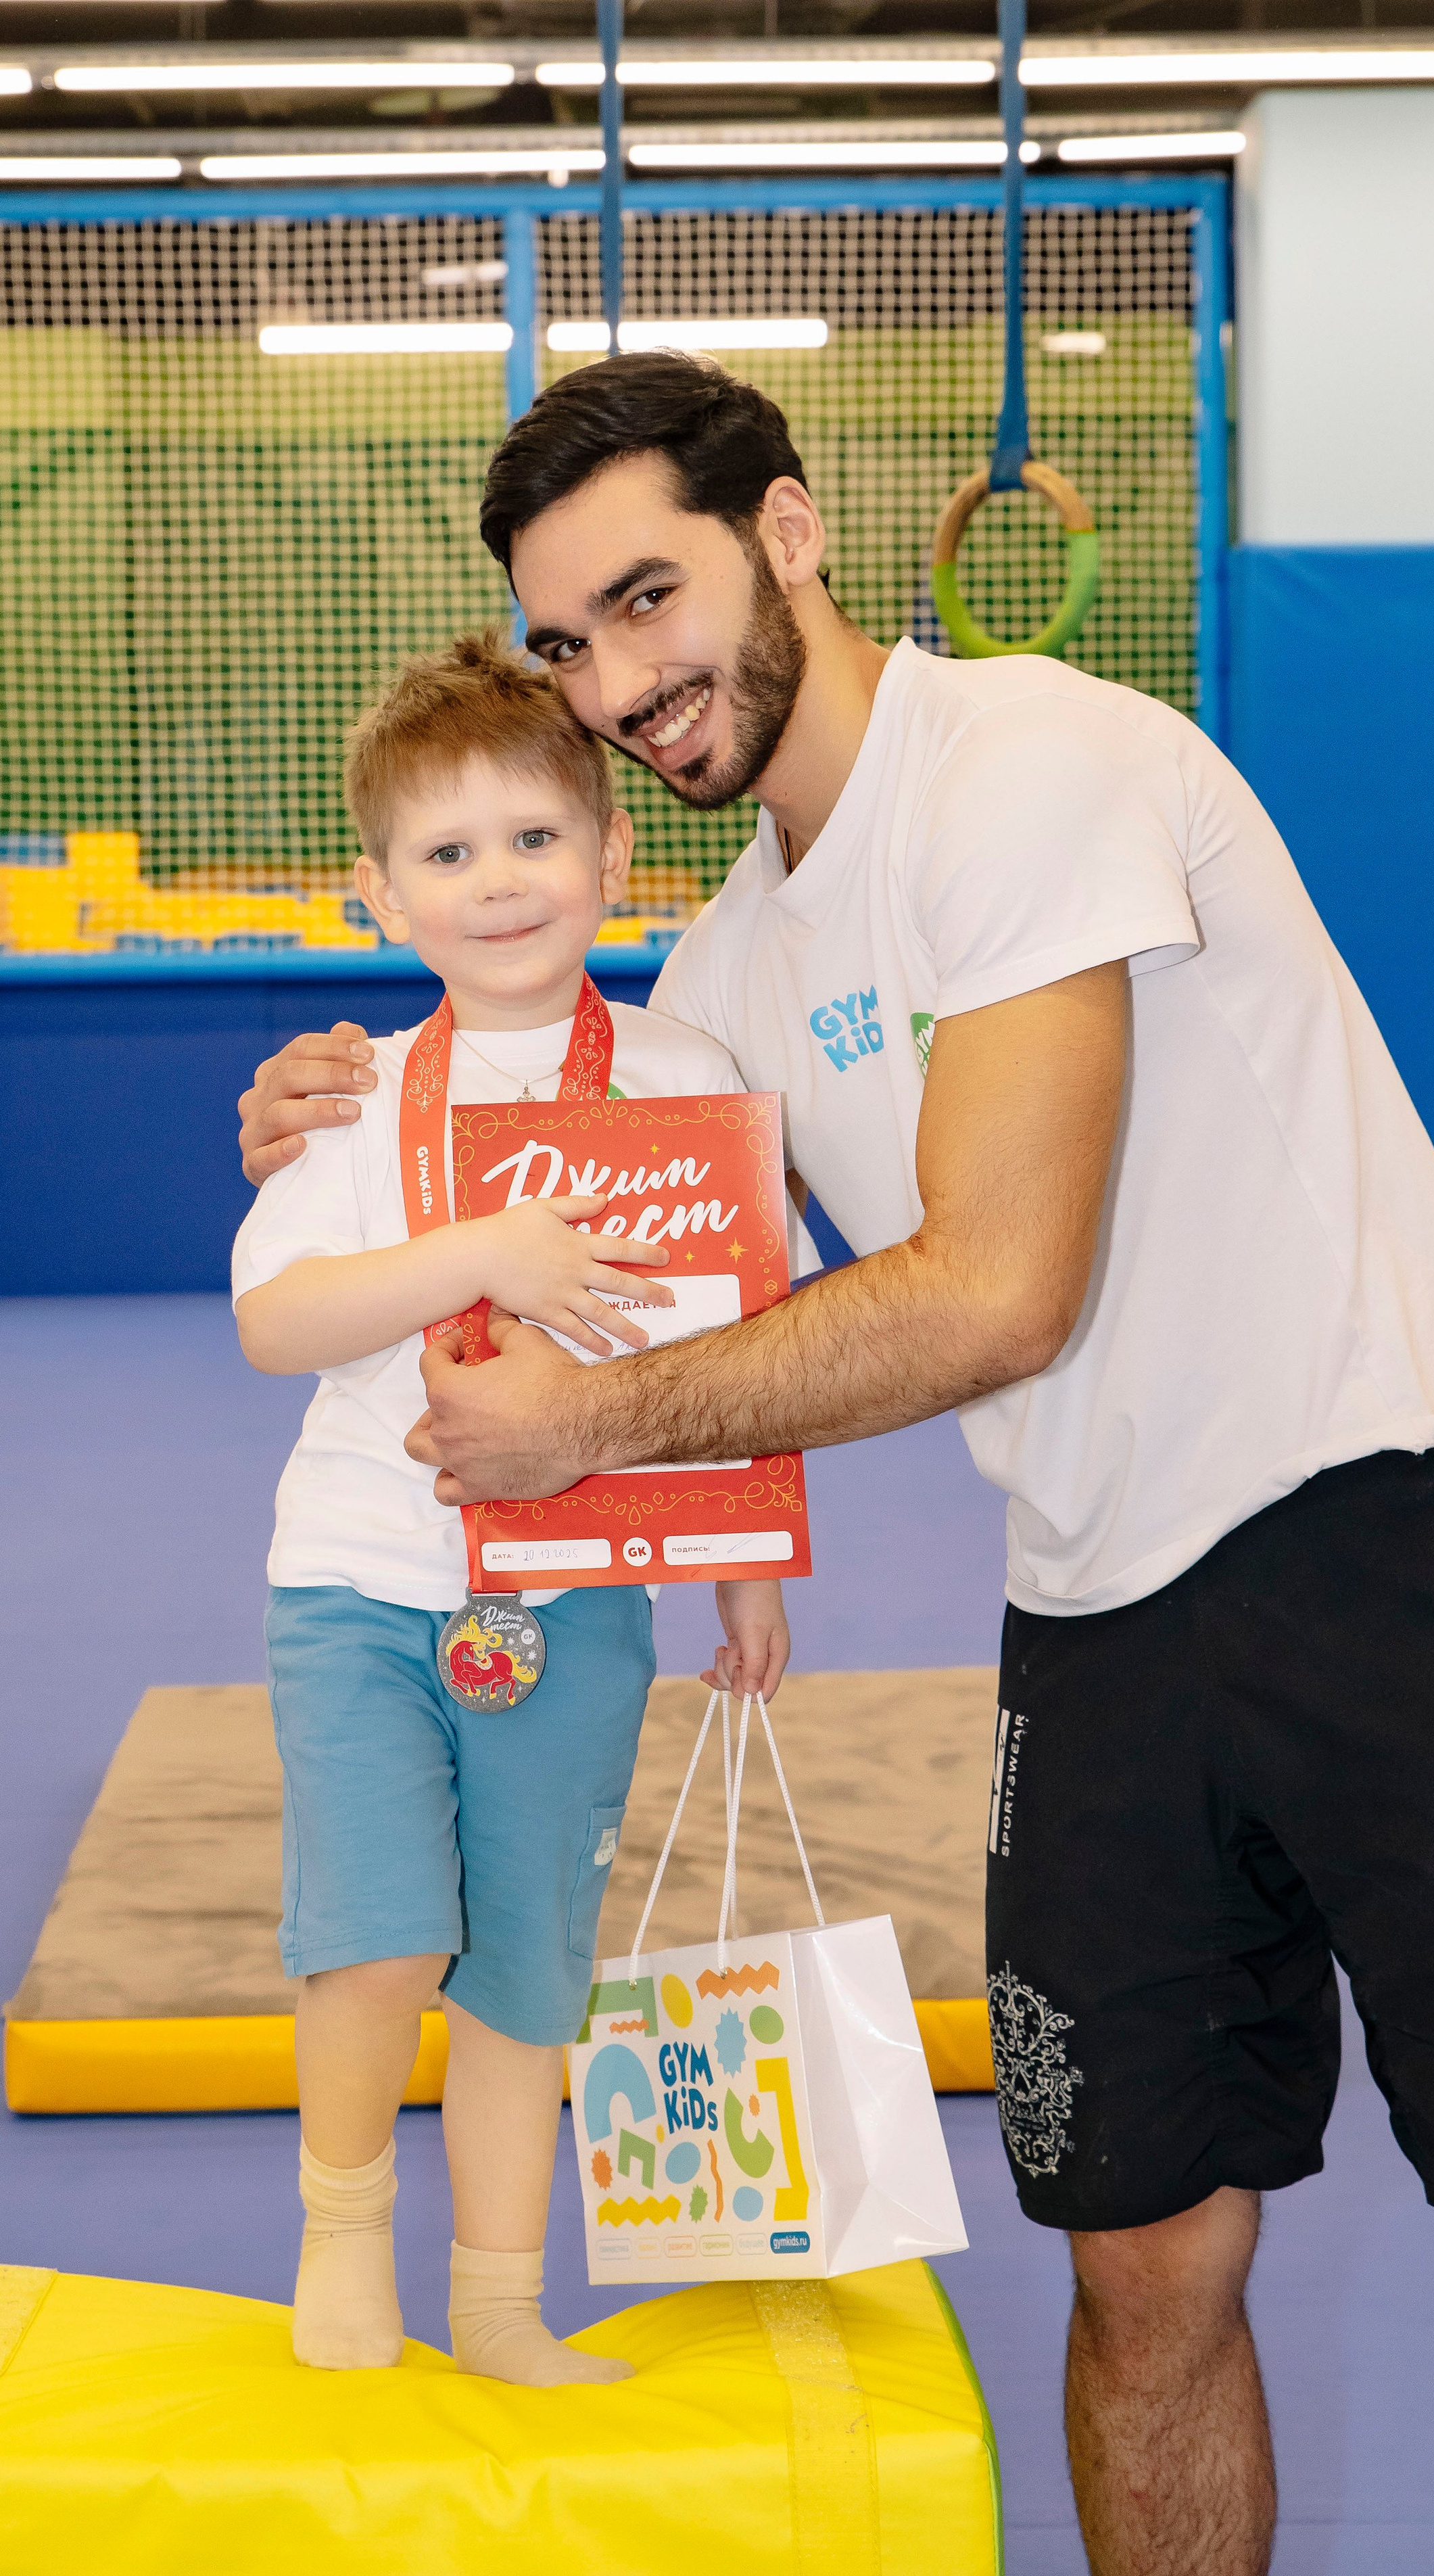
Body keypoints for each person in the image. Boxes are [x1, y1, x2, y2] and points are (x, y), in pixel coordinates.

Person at [240, 360, 1434, 2571]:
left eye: (649, 598)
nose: (619, 684)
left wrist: (587, 1428)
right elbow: (593, 1172)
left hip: (1373, 1542)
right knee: (1139, 2271)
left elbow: (997, 1289)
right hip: (1093, 1612)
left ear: (796, 533)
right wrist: (348, 1120)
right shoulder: (733, 965)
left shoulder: (1030, 763)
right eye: (569, 642)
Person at [232, 630, 790, 2387]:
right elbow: (272, 1320)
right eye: (449, 854)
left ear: (616, 857)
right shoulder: (356, 1092)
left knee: (532, 1962)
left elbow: (746, 1337)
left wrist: (749, 1554)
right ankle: (340, 2240)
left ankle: (493, 2298)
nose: (498, 883)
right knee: (379, 1927)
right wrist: (476, 1251)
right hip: (362, 1578)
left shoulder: (687, 1081)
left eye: (536, 839)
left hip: (584, 1583)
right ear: (382, 891)